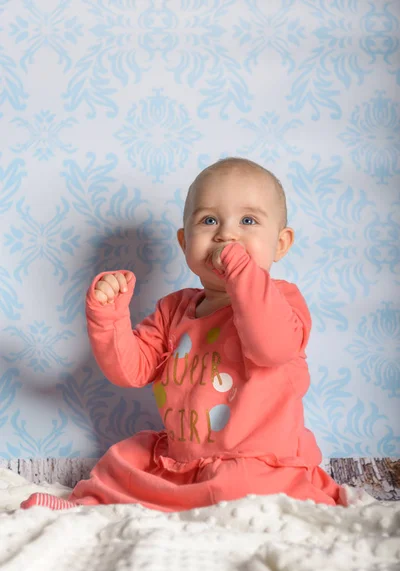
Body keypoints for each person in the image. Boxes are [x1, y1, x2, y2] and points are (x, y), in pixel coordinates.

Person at [21, 157, 342, 511]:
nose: (226, 234)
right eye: (208, 221)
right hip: (184, 459)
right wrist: (109, 316)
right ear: (184, 240)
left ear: (281, 244)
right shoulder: (173, 309)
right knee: (124, 458)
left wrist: (240, 269)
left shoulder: (281, 300)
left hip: (257, 462)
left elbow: (272, 349)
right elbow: (132, 371)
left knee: (239, 488)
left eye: (248, 221)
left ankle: (178, 505)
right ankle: (87, 506)